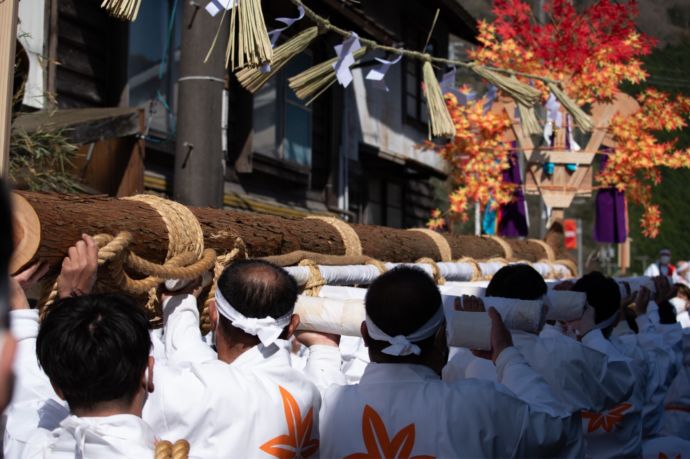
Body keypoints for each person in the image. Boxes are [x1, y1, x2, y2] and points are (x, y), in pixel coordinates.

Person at [314, 266, 582, 457]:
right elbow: (558, 425)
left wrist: (322, 350)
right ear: (443, 334)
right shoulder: (478, 404)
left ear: (364, 333)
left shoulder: (325, 407)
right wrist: (506, 354)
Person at [143, 259, 327, 458]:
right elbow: (202, 362)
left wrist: (178, 301)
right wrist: (179, 304)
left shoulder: (205, 389)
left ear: (213, 315)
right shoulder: (308, 394)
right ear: (292, 326)